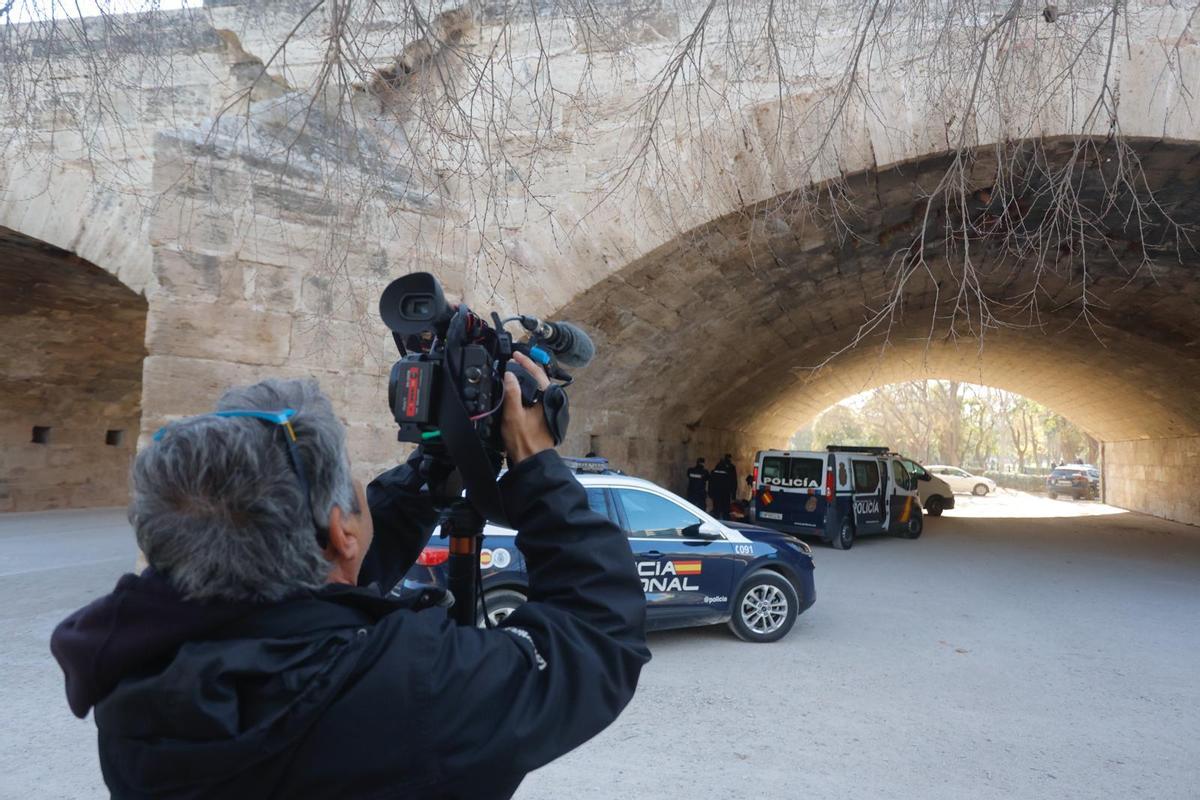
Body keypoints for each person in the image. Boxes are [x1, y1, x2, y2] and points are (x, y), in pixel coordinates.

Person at [50, 352, 650, 799]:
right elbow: (597, 632)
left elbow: (317, 587)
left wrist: (430, 472)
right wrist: (536, 465)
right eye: (356, 504)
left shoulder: (133, 677)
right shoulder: (406, 687)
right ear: (342, 532)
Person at [708, 454, 736, 520]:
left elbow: (710, 483)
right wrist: (733, 493)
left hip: (716, 493)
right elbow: (733, 482)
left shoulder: (713, 472)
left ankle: (716, 522)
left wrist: (710, 493)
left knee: (716, 510)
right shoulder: (728, 472)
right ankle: (726, 524)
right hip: (725, 494)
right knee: (725, 511)